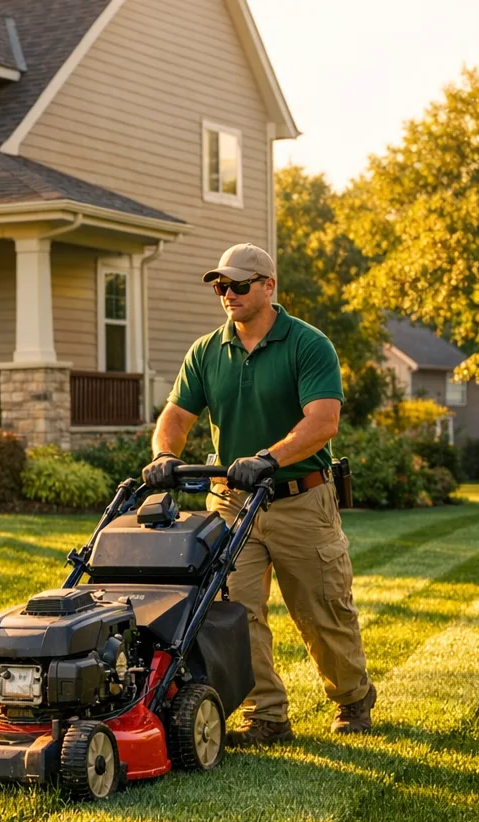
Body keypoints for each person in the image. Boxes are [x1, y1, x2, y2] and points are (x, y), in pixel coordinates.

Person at [143, 243, 374, 745]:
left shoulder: (308, 345)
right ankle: (266, 714)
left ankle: (353, 698)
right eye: (221, 286)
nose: (228, 294)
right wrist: (164, 454)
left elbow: (323, 422)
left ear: (268, 286)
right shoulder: (206, 351)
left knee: (321, 611)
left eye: (239, 285)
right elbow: (176, 416)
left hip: (299, 498)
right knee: (234, 613)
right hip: (232, 503)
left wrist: (269, 458)